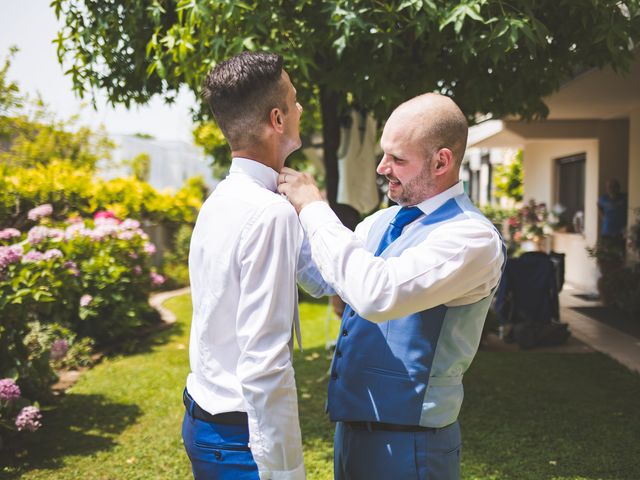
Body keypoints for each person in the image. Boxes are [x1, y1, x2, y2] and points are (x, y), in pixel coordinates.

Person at [280, 93, 505, 480]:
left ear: (441, 161)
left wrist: (315, 208)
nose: (383, 167)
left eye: (398, 159)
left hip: (412, 444)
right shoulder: (381, 222)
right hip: (351, 431)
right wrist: (282, 218)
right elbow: (323, 277)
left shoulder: (471, 238)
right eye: (385, 154)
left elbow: (376, 294)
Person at [182, 51, 305, 480]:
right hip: (241, 438)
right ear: (277, 119)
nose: (302, 108)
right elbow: (264, 362)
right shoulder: (270, 213)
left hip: (204, 414)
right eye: (294, 99)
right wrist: (286, 470)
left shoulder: (218, 201)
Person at [598, 178, 628, 247]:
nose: (611, 189)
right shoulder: (603, 198)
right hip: (606, 231)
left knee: (620, 254)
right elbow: (599, 205)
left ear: (618, 187)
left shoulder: (625, 197)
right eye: (609, 187)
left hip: (621, 233)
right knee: (606, 254)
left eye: (614, 186)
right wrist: (602, 216)